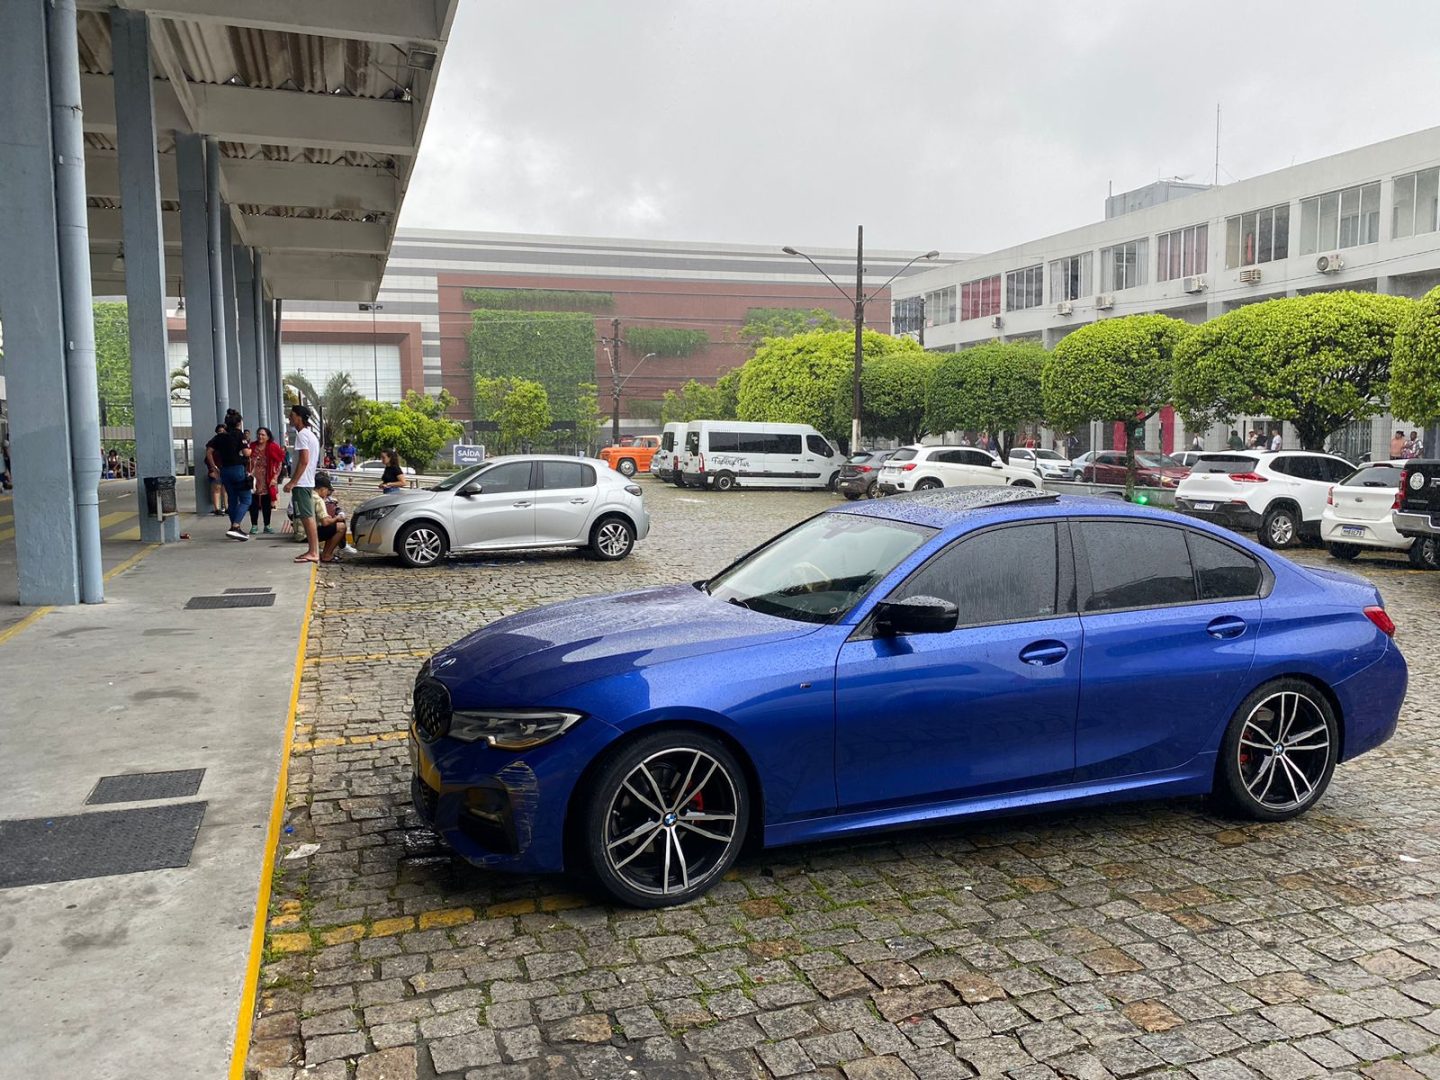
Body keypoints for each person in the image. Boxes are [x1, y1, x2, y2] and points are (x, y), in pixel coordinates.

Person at [206, 409, 252, 540]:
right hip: (238, 469)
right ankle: (235, 526)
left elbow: (208, 451)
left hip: (224, 470)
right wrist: (250, 449)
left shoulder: (219, 436)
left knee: (232, 500)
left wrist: (214, 467)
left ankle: (234, 527)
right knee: (246, 499)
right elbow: (247, 453)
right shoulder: (239, 435)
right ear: (239, 423)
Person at [285, 404, 321, 564]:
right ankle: (312, 550)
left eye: (292, 415)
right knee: (307, 516)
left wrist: (292, 482)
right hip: (306, 481)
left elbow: (304, 461)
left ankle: (313, 551)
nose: (290, 418)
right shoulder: (310, 435)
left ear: (299, 417)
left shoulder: (302, 436)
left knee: (307, 517)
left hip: (302, 482)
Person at [248, 426, 286, 535]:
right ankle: (254, 525)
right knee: (253, 502)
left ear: (268, 436)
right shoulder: (252, 446)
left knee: (266, 503)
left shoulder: (273, 446)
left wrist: (275, 477)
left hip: (267, 478)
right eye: (259, 434)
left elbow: (279, 462)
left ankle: (267, 525)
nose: (260, 436)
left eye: (263, 434)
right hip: (254, 478)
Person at [314, 474, 348, 563]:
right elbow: (325, 522)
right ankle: (327, 555)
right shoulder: (318, 500)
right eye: (327, 490)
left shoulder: (307, 495)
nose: (327, 493)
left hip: (301, 531)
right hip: (308, 534)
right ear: (322, 489)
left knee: (332, 526)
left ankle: (327, 553)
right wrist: (336, 518)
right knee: (340, 526)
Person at [206, 423, 227, 515]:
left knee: (226, 489)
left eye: (223, 431)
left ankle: (227, 507)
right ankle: (217, 509)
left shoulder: (228, 442)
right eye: (219, 431)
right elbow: (207, 458)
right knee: (217, 488)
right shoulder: (212, 442)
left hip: (226, 469)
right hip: (216, 469)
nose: (221, 433)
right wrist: (212, 469)